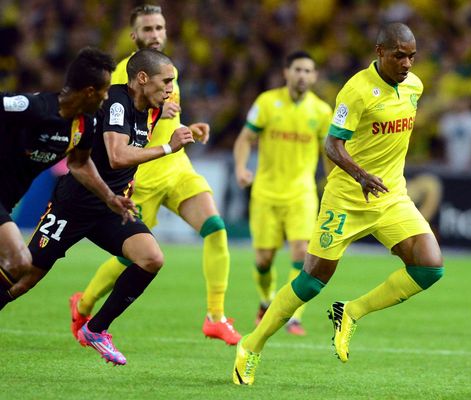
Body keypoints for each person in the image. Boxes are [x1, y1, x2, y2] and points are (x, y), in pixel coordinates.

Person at [232, 22, 444, 385]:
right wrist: (361, 174)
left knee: (429, 267)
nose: (407, 63)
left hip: (391, 195)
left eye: (412, 56)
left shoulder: (415, 86)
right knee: (312, 282)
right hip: (347, 197)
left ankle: (352, 311)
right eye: (399, 56)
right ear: (380, 52)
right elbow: (332, 145)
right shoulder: (356, 91)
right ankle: (250, 346)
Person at [3, 49, 197, 366]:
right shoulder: (117, 103)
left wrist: (180, 123)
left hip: (111, 205)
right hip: (73, 204)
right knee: (24, 277)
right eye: (167, 81)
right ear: (143, 79)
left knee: (151, 258)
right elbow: (117, 155)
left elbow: (99, 156)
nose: (170, 88)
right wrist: (167, 147)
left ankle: (96, 329)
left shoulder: (153, 107)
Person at [69, 4, 241, 346]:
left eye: (160, 28)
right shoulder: (121, 76)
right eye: (148, 30)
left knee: (216, 230)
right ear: (134, 36)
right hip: (142, 176)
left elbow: (164, 121)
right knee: (129, 257)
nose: (156, 35)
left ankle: (215, 317)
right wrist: (161, 119)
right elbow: (118, 133)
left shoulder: (167, 69)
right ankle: (84, 304)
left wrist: (187, 128)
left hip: (176, 169)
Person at [0, 47, 135, 309]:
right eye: (104, 90)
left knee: (18, 266)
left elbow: (80, 163)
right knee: (20, 262)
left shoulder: (86, 124)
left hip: (7, 201)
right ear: (89, 92)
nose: (107, 97)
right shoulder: (34, 107)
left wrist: (110, 198)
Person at [233, 50, 333, 336]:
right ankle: (266, 301)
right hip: (265, 192)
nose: (302, 75)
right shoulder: (267, 102)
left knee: (301, 252)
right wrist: (241, 168)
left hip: (301, 193)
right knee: (263, 259)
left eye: (307, 71)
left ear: (314, 76)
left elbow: (329, 153)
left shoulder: (322, 111)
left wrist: (334, 181)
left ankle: (293, 316)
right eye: (297, 70)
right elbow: (245, 138)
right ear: (286, 72)